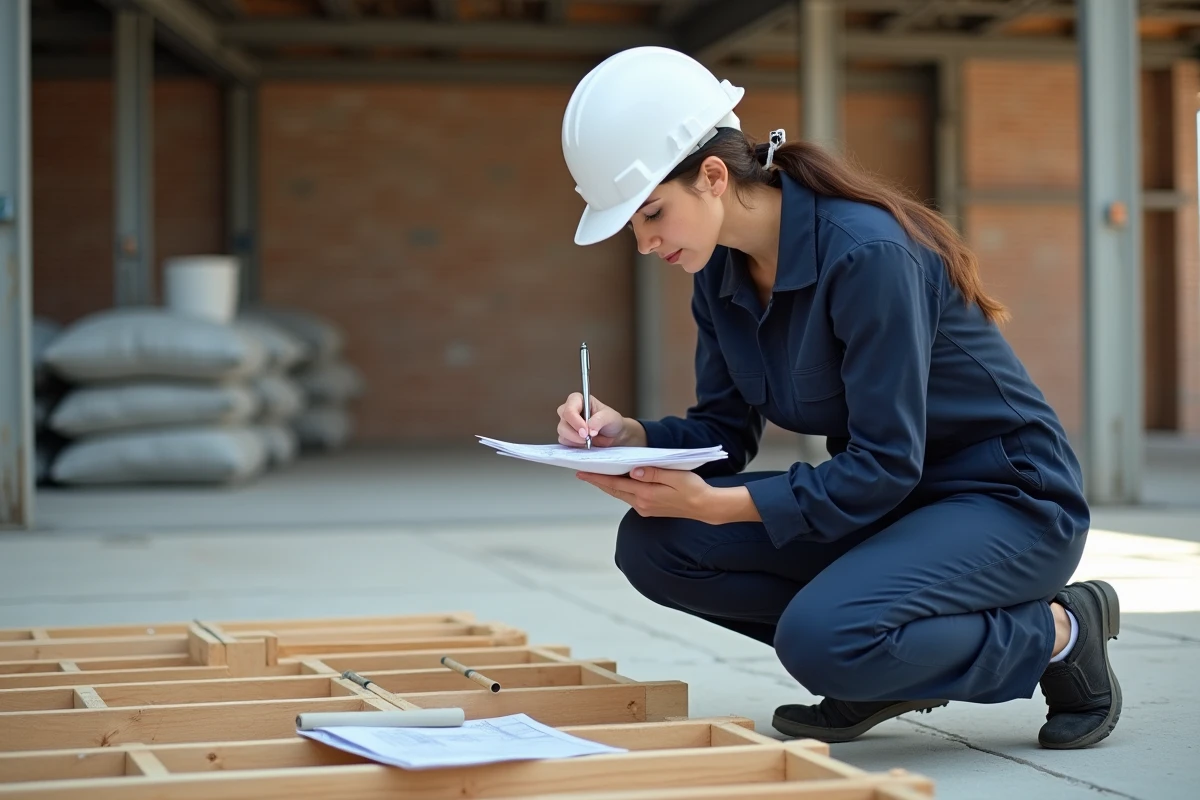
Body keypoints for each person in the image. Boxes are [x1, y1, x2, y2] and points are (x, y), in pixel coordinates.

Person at [555, 46, 1121, 750]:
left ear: (711, 176)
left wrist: (716, 502)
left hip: (1007, 501)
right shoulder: (717, 273)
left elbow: (885, 462)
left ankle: (1061, 632)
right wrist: (628, 436)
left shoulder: (866, 254)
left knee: (822, 640)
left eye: (650, 215)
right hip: (895, 500)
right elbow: (724, 432)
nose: (644, 243)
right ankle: (878, 663)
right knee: (658, 545)